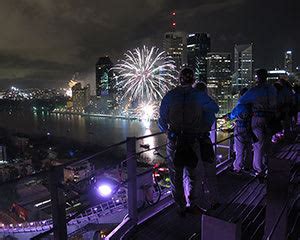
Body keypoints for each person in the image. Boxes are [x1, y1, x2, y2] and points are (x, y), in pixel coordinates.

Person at [158, 68, 219, 216]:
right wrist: (202, 124)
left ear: (179, 79)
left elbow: (161, 120)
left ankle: (180, 206)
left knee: (175, 175)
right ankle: (193, 204)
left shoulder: (170, 96)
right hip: (193, 140)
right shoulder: (199, 96)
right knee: (194, 175)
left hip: (175, 141)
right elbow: (214, 108)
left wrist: (169, 133)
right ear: (193, 80)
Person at [234, 69, 277, 176]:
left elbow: (241, 102)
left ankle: (259, 169)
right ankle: (266, 164)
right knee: (267, 142)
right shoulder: (272, 88)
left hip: (257, 117)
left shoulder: (255, 90)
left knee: (258, 145)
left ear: (257, 77)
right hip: (271, 118)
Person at [226, 88, 253, 173]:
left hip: (240, 128)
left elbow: (232, 115)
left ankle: (237, 167)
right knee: (248, 148)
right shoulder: (252, 105)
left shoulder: (241, 105)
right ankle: (247, 166)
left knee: (239, 149)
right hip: (250, 128)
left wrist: (227, 116)